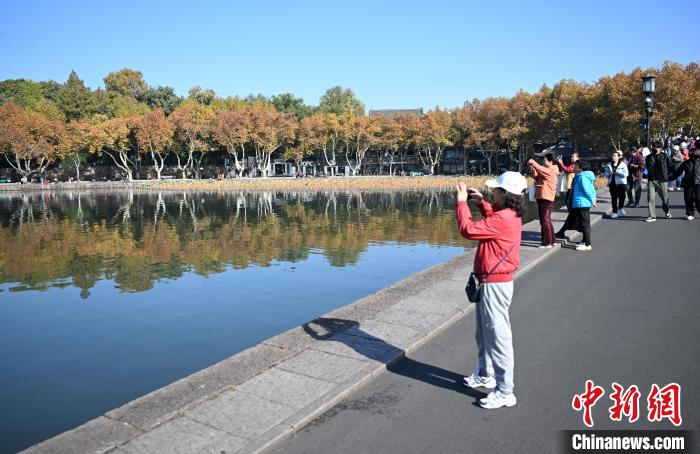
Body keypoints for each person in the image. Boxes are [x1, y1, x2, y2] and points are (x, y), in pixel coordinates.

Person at [456, 171, 527, 410]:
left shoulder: (504, 218)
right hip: (491, 282)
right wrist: (481, 203)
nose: (492, 191)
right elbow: (493, 219)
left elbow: (468, 229)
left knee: (498, 337)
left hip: (495, 284)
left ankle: (505, 390)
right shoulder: (508, 214)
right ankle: (486, 374)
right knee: (484, 334)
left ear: (505, 194)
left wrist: (461, 203)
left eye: (495, 189)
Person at [555, 162, 596, 251]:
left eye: (576, 166)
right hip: (581, 203)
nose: (574, 167)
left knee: (585, 224)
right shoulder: (581, 176)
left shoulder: (582, 178)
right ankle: (585, 241)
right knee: (584, 223)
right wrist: (593, 198)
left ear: (581, 168)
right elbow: (592, 189)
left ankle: (588, 244)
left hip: (582, 203)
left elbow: (588, 191)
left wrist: (592, 200)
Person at [528, 154, 559, 248]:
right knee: (547, 220)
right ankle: (552, 240)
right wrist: (533, 172)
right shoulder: (548, 170)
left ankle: (547, 242)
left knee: (544, 220)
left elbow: (540, 168)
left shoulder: (551, 170)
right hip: (544, 197)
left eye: (545, 160)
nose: (543, 162)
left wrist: (532, 162)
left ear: (551, 162)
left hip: (546, 198)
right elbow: (538, 178)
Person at [668, 145, 700, 220]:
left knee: (698, 199)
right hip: (688, 183)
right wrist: (668, 178)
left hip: (699, 183)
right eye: (691, 154)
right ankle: (690, 213)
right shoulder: (686, 163)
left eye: (694, 154)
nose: (692, 155)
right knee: (688, 198)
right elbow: (677, 173)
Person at [645, 142, 672, 222]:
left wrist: (667, 176)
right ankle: (652, 216)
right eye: (653, 147)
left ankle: (667, 210)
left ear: (660, 148)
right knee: (650, 198)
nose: (654, 148)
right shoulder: (648, 157)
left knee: (665, 198)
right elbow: (647, 167)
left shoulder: (665, 156)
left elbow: (670, 166)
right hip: (651, 179)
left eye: (656, 147)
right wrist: (645, 175)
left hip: (662, 180)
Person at [604, 150, 629, 218]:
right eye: (612, 156)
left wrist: (618, 173)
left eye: (615, 156)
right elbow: (605, 174)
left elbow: (626, 174)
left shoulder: (623, 164)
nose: (613, 157)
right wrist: (609, 174)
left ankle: (621, 207)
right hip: (612, 183)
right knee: (614, 198)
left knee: (622, 197)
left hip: (621, 183)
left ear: (618, 157)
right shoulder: (608, 165)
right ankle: (614, 212)